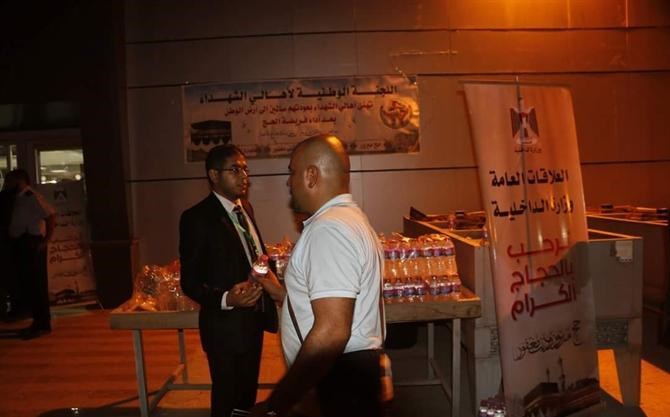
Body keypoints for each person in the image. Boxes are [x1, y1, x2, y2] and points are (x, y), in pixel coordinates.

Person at [251, 135, 385, 417]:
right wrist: (281, 293)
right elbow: (332, 304)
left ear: (311, 175)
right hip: (345, 376)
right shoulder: (350, 220)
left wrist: (279, 402)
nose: (289, 182)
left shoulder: (329, 230)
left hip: (339, 381)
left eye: (292, 172)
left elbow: (332, 331)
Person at [179, 144, 279, 417]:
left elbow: (253, 255)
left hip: (253, 320)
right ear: (214, 175)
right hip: (223, 327)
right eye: (234, 169)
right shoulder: (196, 218)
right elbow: (189, 281)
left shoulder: (245, 209)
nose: (244, 176)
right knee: (226, 398)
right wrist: (226, 298)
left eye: (245, 169)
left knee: (247, 396)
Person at [7, 169, 56, 339]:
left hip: (31, 242)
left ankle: (42, 324)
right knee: (29, 284)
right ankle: (37, 322)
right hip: (21, 243)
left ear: (19, 180)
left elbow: (50, 215)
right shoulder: (17, 198)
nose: (8, 184)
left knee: (37, 285)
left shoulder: (31, 196)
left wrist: (46, 240)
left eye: (11, 180)